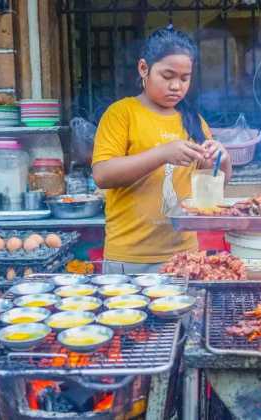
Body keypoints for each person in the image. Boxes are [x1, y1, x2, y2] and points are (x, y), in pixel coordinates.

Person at [92, 26, 232, 275]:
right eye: (167, 76)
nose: (176, 86)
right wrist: (162, 154)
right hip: (130, 258)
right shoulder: (122, 113)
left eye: (184, 78)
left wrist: (222, 159)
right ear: (143, 69)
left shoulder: (194, 121)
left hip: (185, 256)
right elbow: (103, 175)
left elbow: (214, 187)